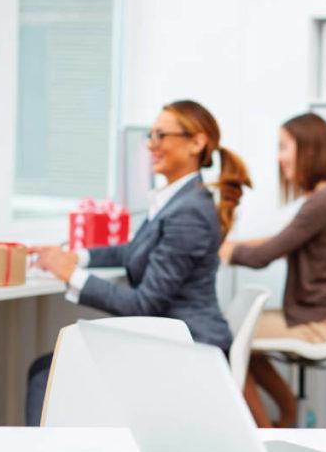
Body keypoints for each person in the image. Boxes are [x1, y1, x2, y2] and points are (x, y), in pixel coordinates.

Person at [27, 100, 251, 425]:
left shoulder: (188, 212)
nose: (151, 145)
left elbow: (146, 304)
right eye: (151, 135)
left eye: (162, 135)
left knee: (47, 374)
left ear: (196, 143)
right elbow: (132, 250)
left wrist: (70, 274)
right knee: (47, 369)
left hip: (190, 349)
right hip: (172, 341)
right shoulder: (176, 200)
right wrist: (79, 256)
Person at [220, 113, 326, 428]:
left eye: (284, 147)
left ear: (309, 150)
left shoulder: (322, 202)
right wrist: (231, 245)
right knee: (241, 334)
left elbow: (266, 254)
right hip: (314, 312)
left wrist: (227, 250)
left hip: (313, 322)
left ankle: (265, 436)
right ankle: (287, 411)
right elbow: (282, 239)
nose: (279, 158)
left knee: (225, 339)